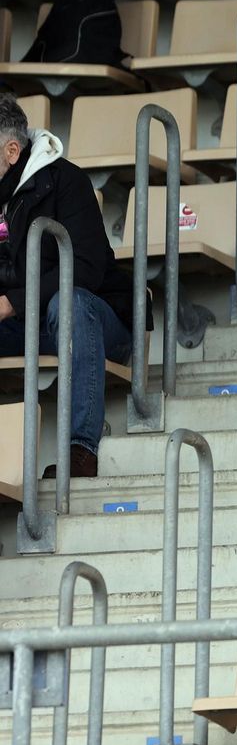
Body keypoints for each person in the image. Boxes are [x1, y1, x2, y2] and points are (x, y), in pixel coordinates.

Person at [0, 95, 141, 479]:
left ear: (12, 151)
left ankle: (81, 450)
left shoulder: (66, 181)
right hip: (28, 324)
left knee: (68, 303)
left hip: (96, 321)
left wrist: (11, 303)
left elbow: (86, 268)